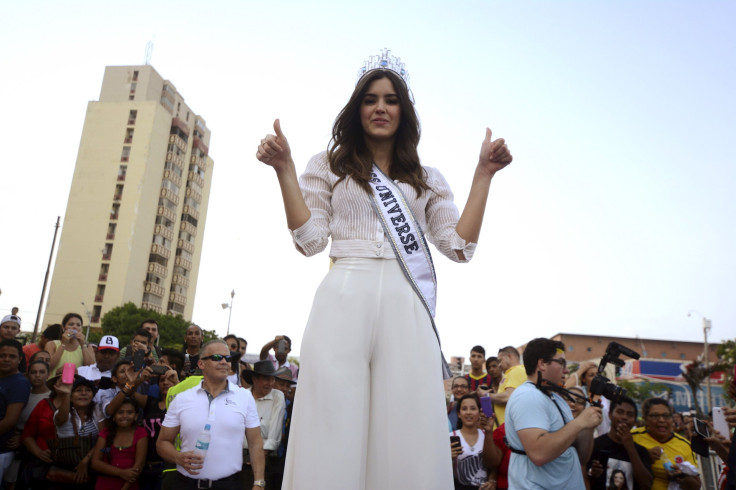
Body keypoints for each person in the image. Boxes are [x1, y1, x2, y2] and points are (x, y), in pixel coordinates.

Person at [256, 48, 512, 489]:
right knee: (332, 413)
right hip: (343, 292)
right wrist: (284, 169)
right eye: (371, 99)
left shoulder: (427, 177)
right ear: (357, 109)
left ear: (404, 111)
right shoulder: (327, 165)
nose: (380, 107)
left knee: (407, 417)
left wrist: (484, 174)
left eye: (391, 99)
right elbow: (311, 241)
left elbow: (458, 246)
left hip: (404, 298)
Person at [157, 340, 266, 489]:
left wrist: (259, 482)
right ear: (201, 364)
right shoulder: (182, 399)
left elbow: (255, 443)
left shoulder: (245, 397)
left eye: (227, 358)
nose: (224, 362)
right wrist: (178, 457)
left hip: (229, 484)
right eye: (216, 357)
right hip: (186, 483)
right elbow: (162, 442)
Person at [504, 337, 602, 489]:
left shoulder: (555, 396)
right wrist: (580, 422)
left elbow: (581, 456)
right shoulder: (528, 396)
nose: (566, 370)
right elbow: (539, 454)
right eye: (561, 363)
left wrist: (589, 425)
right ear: (542, 364)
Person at [630, 398, 700, 490]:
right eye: (655, 416)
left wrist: (681, 476)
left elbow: (696, 486)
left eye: (666, 416)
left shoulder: (685, 445)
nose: (661, 420)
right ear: (645, 419)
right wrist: (645, 457)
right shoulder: (632, 437)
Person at [586, 395, 652, 490]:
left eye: (630, 415)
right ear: (610, 415)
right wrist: (593, 474)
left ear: (634, 421)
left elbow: (647, 485)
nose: (624, 417)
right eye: (620, 412)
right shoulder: (595, 445)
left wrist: (630, 447)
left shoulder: (641, 452)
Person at [4, 359, 52, 489]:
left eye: (42, 372)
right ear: (27, 374)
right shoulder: (21, 393)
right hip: (12, 444)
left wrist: (23, 438)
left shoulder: (52, 398)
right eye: (33, 372)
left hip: (35, 449)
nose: (37, 375)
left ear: (48, 374)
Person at [241, 360, 285, 488]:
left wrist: (257, 457)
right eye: (266, 379)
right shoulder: (242, 396)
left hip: (265, 460)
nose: (270, 383)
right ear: (254, 379)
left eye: (273, 379)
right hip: (237, 461)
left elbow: (274, 436)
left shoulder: (277, 396)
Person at [52, 374, 99, 488]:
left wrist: (85, 462)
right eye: (78, 390)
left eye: (88, 390)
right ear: (71, 397)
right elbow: (61, 419)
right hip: (66, 470)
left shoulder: (96, 412)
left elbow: (103, 438)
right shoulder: (63, 413)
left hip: (91, 469)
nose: (83, 393)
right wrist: (66, 393)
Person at [91, 397, 148, 490]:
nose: (125, 416)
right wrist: (121, 473)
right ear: (113, 416)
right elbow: (95, 463)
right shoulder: (106, 433)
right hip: (105, 484)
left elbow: (139, 465)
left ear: (136, 416)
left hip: (129, 485)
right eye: (120, 412)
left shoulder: (141, 433)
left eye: (129, 412)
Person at [140, 368, 179, 490]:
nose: (166, 383)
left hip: (172, 466)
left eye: (170, 380)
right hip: (148, 467)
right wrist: (137, 380)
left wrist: (178, 383)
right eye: (162, 380)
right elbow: (127, 392)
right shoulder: (149, 402)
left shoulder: (183, 404)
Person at [0, 339, 31, 481]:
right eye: (2, 355)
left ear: (19, 359)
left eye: (12, 356)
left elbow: (10, 420)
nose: (6, 359)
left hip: (2, 450)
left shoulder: (19, 383)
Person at [449, 394, 495, 489]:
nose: (468, 412)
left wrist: (492, 481)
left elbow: (494, 465)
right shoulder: (450, 437)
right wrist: (449, 458)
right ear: (459, 414)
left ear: (479, 412)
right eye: (464, 409)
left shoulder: (487, 435)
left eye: (473, 408)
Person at [487, 346, 526, 427]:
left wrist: (486, 395)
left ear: (510, 356)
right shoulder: (510, 373)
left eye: (500, 361)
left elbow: (508, 396)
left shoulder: (516, 370)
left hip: (506, 431)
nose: (499, 365)